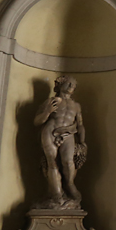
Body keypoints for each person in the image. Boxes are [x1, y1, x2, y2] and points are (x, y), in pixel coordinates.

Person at [35, 76, 88, 209]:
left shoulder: (76, 105)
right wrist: (47, 112)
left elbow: (80, 125)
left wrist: (82, 141)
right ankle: (57, 194)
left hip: (68, 134)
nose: (72, 86)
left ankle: (69, 184)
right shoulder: (51, 101)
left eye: (74, 84)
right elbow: (37, 121)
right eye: (69, 83)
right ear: (60, 85)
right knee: (51, 162)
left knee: (68, 162)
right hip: (50, 131)